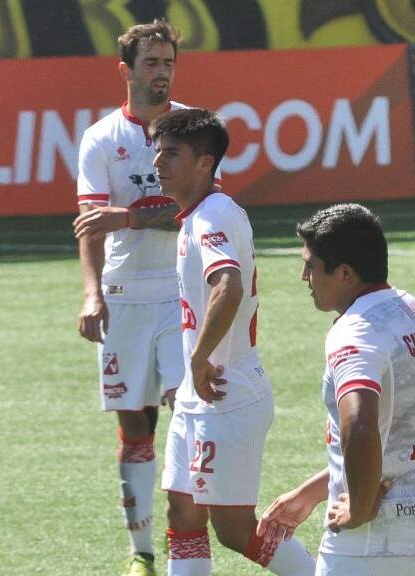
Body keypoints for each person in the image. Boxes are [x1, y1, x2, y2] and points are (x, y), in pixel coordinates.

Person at [73, 20, 221, 576]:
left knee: (190, 415)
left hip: (181, 293)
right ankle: (142, 553)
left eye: (169, 63)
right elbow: (91, 224)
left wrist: (129, 217)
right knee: (136, 429)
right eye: (152, 63)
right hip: (123, 298)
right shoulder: (100, 138)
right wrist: (92, 293)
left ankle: (189, 541)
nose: (162, 73)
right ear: (126, 70)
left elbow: (198, 208)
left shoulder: (194, 128)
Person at [151, 108, 316, 576]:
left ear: (205, 163)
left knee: (234, 529)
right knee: (182, 513)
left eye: (171, 153)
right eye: (158, 152)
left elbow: (229, 285)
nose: (158, 163)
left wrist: (200, 358)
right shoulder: (198, 216)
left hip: (226, 391)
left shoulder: (213, 216)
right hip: (200, 392)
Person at [257, 204, 415, 575]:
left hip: (374, 542)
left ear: (345, 273)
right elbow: (396, 434)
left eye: (311, 266)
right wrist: (312, 492)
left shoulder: (354, 332)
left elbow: (360, 425)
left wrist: (358, 510)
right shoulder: (408, 310)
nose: (304, 276)